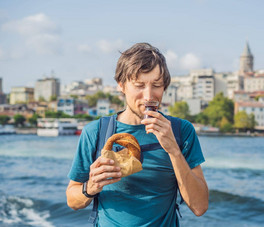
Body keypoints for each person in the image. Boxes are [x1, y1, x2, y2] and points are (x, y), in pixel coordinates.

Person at [66, 43, 209, 226]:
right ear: (121, 85)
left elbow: (200, 207)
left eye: (156, 85)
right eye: (139, 85)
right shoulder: (95, 132)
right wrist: (91, 186)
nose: (149, 96)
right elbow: (72, 200)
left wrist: (173, 150)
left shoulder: (182, 131)